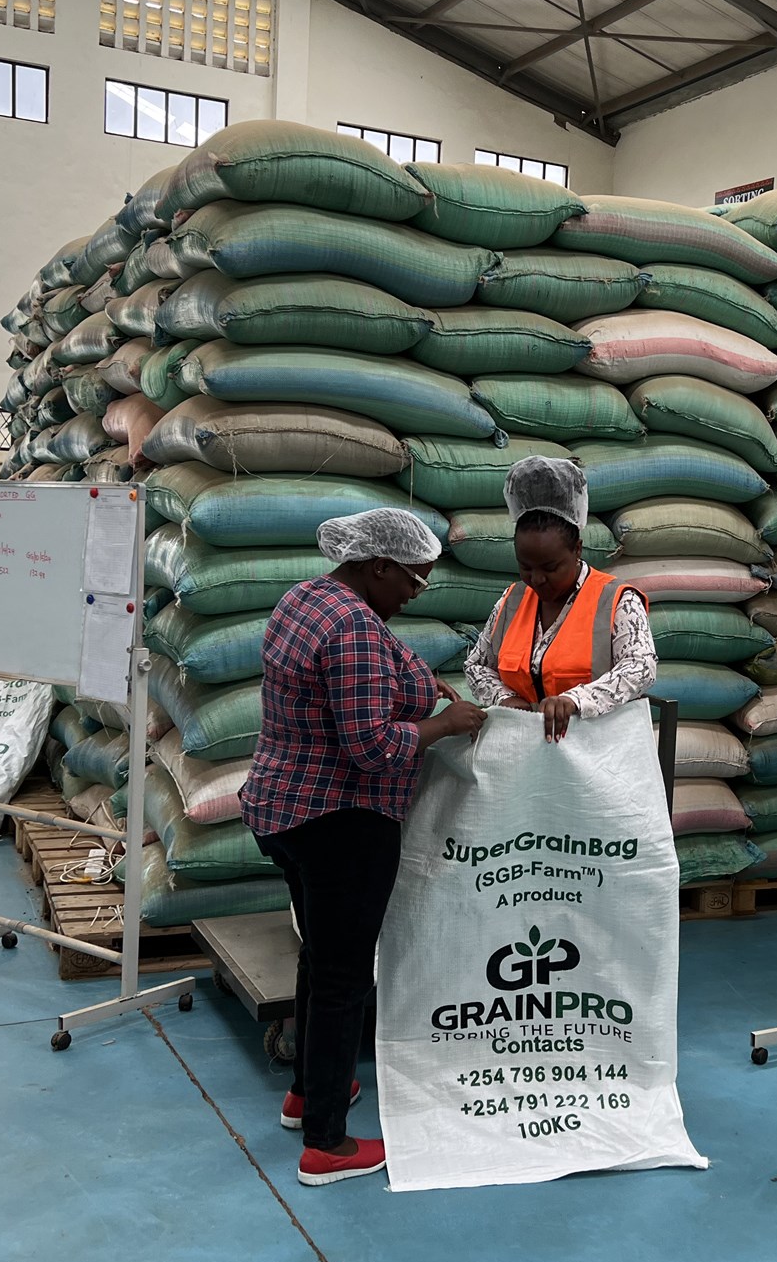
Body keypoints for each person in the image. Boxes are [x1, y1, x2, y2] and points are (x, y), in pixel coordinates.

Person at [239, 507, 486, 1187]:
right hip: (339, 821)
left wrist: (418, 683)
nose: (417, 593)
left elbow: (381, 659)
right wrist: (444, 723)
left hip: (283, 813)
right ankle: (326, 1146)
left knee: (319, 960)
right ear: (378, 565)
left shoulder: (310, 598)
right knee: (346, 976)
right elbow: (373, 748)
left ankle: (308, 1092)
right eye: (415, 580)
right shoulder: (352, 627)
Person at [465, 456, 658, 742]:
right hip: (525, 745)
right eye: (526, 567)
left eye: (550, 568)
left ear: (577, 549)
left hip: (596, 753)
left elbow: (641, 666)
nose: (537, 579)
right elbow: (476, 665)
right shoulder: (513, 599)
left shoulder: (616, 601)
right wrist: (503, 697)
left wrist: (576, 700)